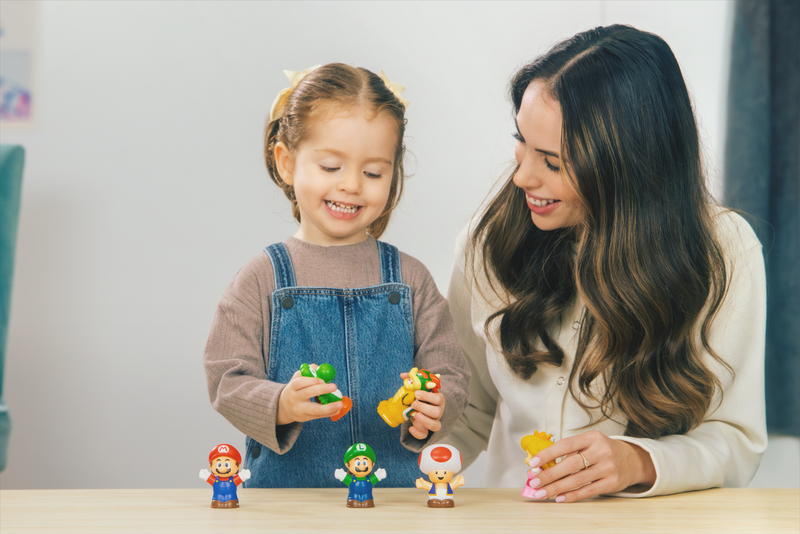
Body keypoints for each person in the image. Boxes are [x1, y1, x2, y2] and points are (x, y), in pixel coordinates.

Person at [446, 25, 767, 502]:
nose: (522, 177)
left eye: (553, 162)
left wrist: (635, 460)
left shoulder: (724, 250)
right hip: (514, 518)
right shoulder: (489, 239)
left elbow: (735, 440)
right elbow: (467, 407)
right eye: (522, 142)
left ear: (629, 165)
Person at [204, 63, 469, 488]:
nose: (351, 185)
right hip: (287, 500)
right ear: (286, 163)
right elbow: (226, 378)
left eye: (373, 173)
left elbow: (450, 372)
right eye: (330, 166)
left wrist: (436, 406)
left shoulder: (411, 279)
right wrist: (280, 403)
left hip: (393, 496)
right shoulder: (260, 278)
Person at [334, 442, 386, 508]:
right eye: (358, 463)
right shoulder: (351, 480)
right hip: (353, 497)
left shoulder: (369, 479)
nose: (362, 466)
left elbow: (375, 477)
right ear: (348, 465)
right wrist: (341, 475)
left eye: (365, 462)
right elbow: (345, 478)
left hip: (368, 497)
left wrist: (379, 475)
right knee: (354, 502)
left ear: (372, 465)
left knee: (368, 502)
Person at [199, 444, 251, 508]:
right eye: (219, 464)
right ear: (211, 466)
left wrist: (243, 475)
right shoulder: (215, 480)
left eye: (227, 464)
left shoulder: (233, 480)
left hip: (231, 498)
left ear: (237, 466)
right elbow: (209, 478)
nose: (223, 468)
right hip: (217, 498)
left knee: (231, 503)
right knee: (216, 504)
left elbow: (239, 478)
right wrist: (205, 475)